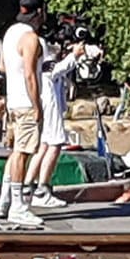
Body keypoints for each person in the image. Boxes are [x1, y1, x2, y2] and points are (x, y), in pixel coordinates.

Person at [0, 0, 47, 228]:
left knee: (16, 151)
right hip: (26, 103)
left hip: (12, 102)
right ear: (39, 13)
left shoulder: (10, 33)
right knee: (23, 153)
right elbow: (29, 73)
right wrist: (37, 105)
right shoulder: (30, 38)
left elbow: (3, 67)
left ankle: (4, 201)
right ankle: (18, 207)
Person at [26, 27, 80, 210]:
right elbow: (56, 71)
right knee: (55, 144)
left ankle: (27, 186)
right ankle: (42, 189)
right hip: (49, 104)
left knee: (43, 146)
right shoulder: (47, 61)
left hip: (45, 103)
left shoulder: (41, 58)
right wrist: (75, 55)